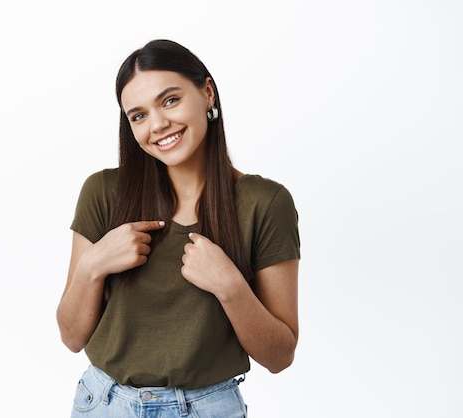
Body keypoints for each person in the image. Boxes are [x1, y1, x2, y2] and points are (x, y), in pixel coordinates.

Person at [56, 39, 300, 418]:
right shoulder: (103, 192)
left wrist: (231, 286)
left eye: (169, 100)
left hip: (206, 408)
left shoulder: (264, 203)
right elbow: (71, 337)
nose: (157, 125)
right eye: (138, 115)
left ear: (206, 92)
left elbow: (280, 355)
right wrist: (93, 267)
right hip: (103, 403)